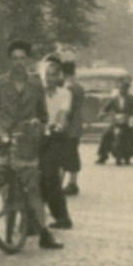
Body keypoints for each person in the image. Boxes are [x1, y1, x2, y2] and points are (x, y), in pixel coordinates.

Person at [0, 40, 60, 251]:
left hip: (26, 142)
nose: (18, 63)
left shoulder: (35, 85)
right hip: (1, 141)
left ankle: (44, 232)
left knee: (33, 188)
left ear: (28, 60)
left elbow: (43, 115)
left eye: (22, 58)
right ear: (9, 61)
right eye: (14, 58)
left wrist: (38, 126)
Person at [39, 56, 74, 230]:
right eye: (47, 75)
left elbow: (64, 113)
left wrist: (58, 125)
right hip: (37, 137)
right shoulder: (37, 93)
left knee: (50, 177)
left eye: (53, 75)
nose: (50, 78)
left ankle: (63, 217)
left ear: (58, 76)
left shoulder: (66, 93)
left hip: (56, 138)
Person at [97, 73, 133, 166]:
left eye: (125, 88)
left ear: (128, 89)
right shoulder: (113, 99)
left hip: (132, 119)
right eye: (121, 88)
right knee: (106, 134)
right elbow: (106, 108)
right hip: (117, 120)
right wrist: (102, 113)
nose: (123, 90)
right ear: (119, 88)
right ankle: (102, 156)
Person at [60, 60, 85, 194]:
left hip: (69, 126)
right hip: (77, 124)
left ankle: (69, 183)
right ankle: (71, 182)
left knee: (68, 153)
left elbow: (66, 109)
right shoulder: (79, 86)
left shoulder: (68, 88)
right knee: (72, 153)